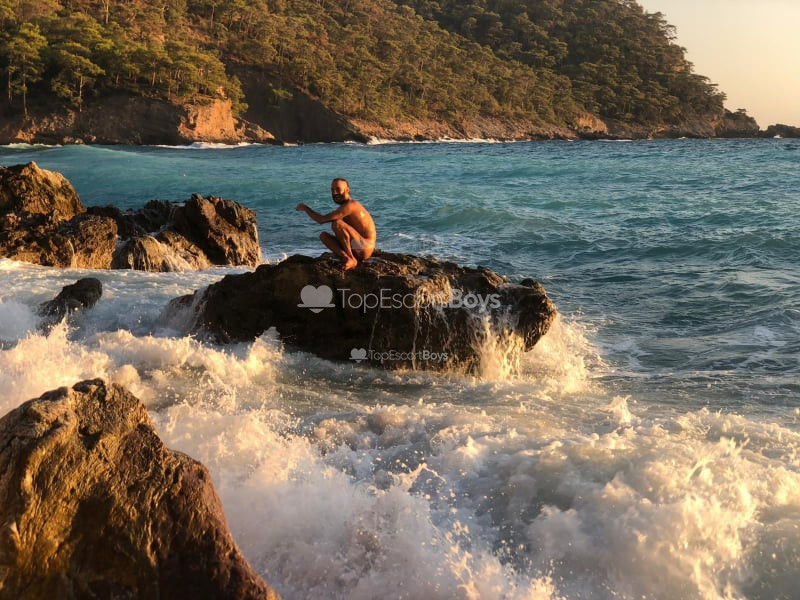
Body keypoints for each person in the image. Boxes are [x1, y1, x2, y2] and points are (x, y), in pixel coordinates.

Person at [296, 178, 376, 270]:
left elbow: (321, 220)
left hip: (364, 248)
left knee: (337, 223)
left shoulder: (351, 205)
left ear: (347, 190)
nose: (334, 193)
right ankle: (346, 257)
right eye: (332, 190)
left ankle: (351, 259)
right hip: (356, 245)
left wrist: (305, 208)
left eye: (338, 189)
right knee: (324, 236)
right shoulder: (344, 206)